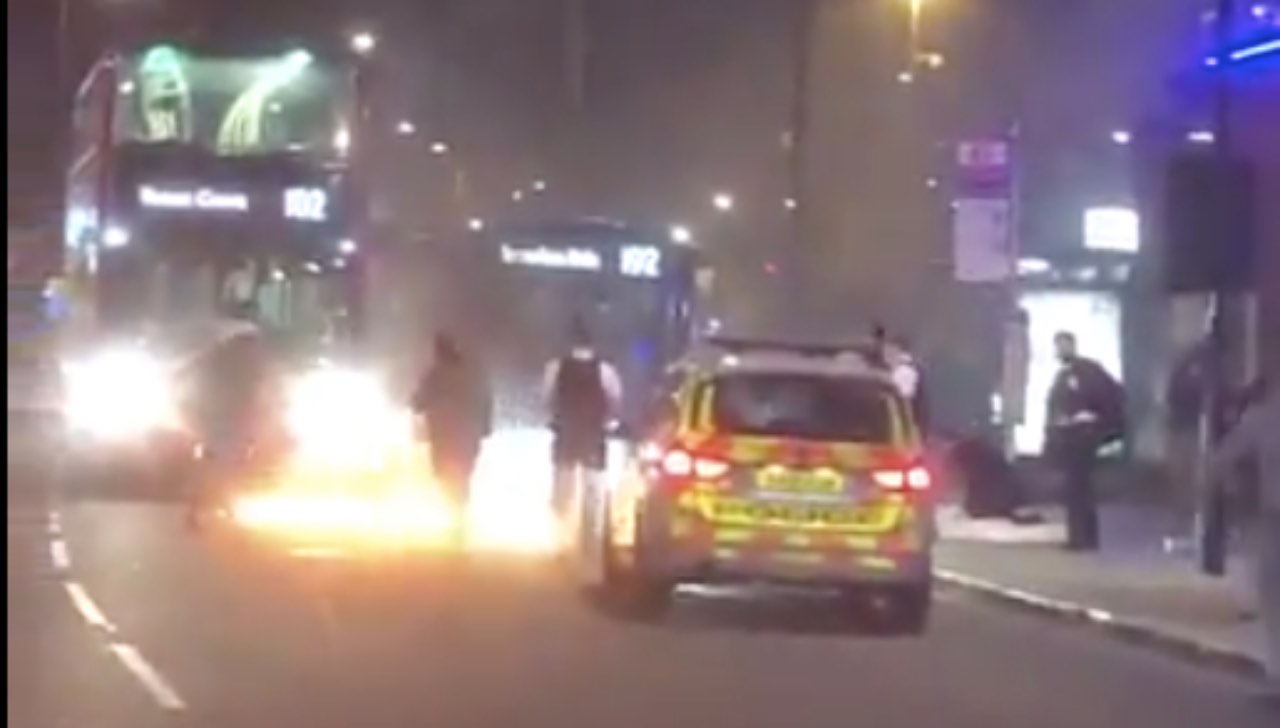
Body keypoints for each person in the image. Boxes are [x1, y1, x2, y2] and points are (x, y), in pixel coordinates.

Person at [1206, 376, 1279, 705]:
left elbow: (1222, 461)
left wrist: (1231, 489)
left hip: (1274, 515)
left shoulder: (1262, 418)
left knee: (1274, 598)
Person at [182, 315, 281, 530]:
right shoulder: (239, 362)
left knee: (217, 464)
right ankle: (211, 507)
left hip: (221, 418)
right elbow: (258, 388)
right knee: (223, 464)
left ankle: (210, 507)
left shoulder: (217, 358)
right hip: (226, 419)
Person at [1043, 331, 1125, 552]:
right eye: (1057, 347)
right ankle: (1081, 536)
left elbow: (1110, 395)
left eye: (1062, 346)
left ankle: (1083, 537)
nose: (1059, 351)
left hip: (1083, 436)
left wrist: (1095, 418)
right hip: (1071, 436)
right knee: (1076, 488)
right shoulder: (1064, 375)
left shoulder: (1088, 371)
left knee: (1080, 487)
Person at [543, 319, 622, 519]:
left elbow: (547, 396)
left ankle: (560, 521)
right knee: (593, 483)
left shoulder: (556, 366)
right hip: (594, 432)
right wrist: (610, 421)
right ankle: (591, 523)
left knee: (562, 481)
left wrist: (552, 418)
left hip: (566, 430)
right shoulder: (604, 369)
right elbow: (615, 397)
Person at [411, 333, 493, 509]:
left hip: (444, 436)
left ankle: (454, 510)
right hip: (468, 434)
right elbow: (485, 399)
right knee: (463, 474)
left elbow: (418, 402)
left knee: (445, 474)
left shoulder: (434, 375)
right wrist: (485, 425)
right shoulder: (472, 373)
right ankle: (459, 510)